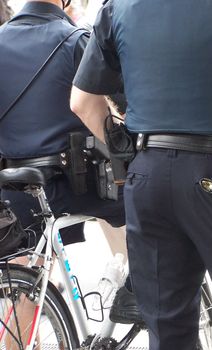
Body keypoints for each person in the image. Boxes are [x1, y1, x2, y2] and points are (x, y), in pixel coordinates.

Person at [70, 0, 212, 348]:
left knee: (168, 330)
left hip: (147, 175)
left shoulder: (117, 7)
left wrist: (131, 155)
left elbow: (81, 101)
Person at [0, 0, 140, 325]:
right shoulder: (75, 39)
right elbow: (124, 106)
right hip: (70, 185)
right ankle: (135, 294)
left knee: (32, 273)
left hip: (13, 190)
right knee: (150, 203)